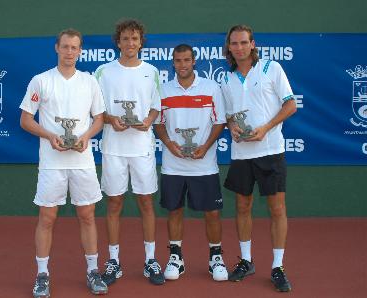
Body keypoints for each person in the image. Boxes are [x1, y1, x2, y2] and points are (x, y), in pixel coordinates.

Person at [19, 28, 108, 297]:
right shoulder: (40, 81)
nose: (70, 52)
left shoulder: (90, 82)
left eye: (75, 48)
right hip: (51, 162)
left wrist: (86, 137)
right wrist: (49, 135)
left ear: (80, 51)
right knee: (47, 217)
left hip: (82, 161)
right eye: (65, 47)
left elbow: (99, 119)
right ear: (56, 48)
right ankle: (42, 275)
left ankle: (93, 270)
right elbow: (25, 120)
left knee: (87, 215)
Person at [220, 24, 296, 292]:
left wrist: (265, 128)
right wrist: (232, 127)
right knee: (242, 207)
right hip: (241, 154)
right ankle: (247, 261)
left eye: (243, 43)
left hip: (271, 151)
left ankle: (278, 266)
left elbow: (290, 104)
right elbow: (229, 115)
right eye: (234, 43)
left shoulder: (271, 68)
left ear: (252, 44)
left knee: (277, 210)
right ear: (229, 47)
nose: (239, 48)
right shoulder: (226, 79)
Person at [95, 19, 164, 286]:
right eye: (125, 39)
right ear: (118, 42)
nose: (130, 43)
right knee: (114, 203)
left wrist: (148, 121)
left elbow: (156, 107)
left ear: (141, 41)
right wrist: (112, 120)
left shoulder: (151, 71)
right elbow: (97, 110)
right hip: (113, 148)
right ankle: (113, 261)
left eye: (135, 38)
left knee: (146, 202)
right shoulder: (103, 72)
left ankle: (150, 259)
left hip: (142, 149)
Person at [154, 44, 229, 282]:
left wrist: (205, 147)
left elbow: (220, 122)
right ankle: (176, 257)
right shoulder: (163, 90)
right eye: (178, 60)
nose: (183, 64)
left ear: (194, 61)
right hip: (173, 164)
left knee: (212, 213)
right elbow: (158, 123)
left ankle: (215, 257)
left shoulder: (211, 87)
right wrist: (170, 144)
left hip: (204, 164)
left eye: (187, 60)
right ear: (172, 62)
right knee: (174, 211)